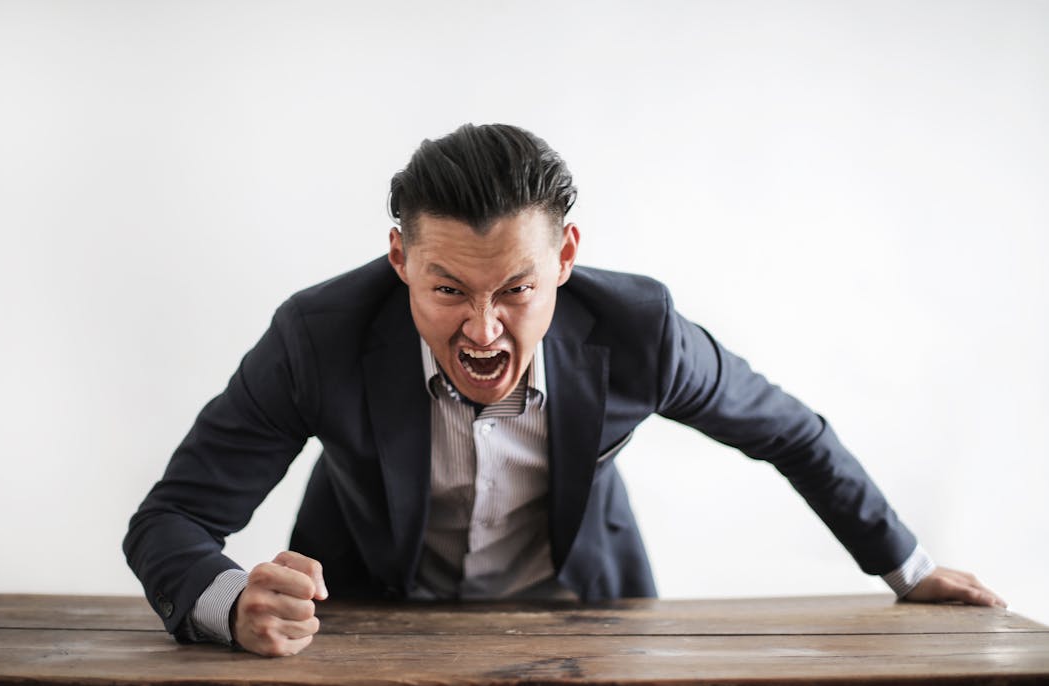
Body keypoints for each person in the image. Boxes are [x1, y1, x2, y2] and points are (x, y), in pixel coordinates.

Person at [124, 123, 1005, 657]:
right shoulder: (317, 339)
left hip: (585, 622)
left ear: (566, 260)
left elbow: (790, 433)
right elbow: (170, 521)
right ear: (399, 260)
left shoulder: (640, 333)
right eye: (445, 290)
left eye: (515, 289)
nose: (481, 330)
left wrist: (908, 567)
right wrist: (230, 603)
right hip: (364, 626)